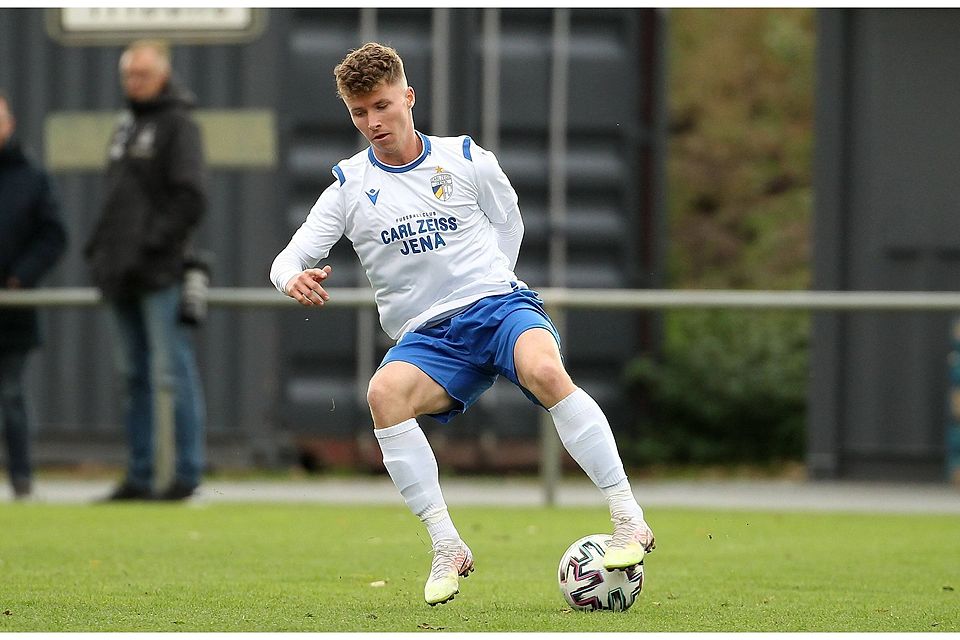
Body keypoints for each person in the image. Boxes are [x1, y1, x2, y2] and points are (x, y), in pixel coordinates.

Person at [270, 42, 655, 606]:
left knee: (544, 370)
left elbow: (510, 224)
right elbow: (287, 258)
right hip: (428, 338)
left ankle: (628, 519)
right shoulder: (349, 188)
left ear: (409, 96)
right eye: (359, 112)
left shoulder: (469, 160)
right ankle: (446, 544)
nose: (373, 122)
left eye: (382, 106)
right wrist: (290, 280)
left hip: (496, 305)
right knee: (383, 394)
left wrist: (491, 282)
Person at [84, 40, 207, 501]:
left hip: (160, 273)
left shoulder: (179, 124)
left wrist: (149, 245)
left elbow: (190, 197)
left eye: (141, 74)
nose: (133, 83)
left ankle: (186, 475)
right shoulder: (125, 126)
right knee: (133, 378)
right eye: (128, 75)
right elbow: (117, 200)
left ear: (163, 75)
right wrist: (100, 250)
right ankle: (139, 475)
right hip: (119, 273)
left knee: (171, 373)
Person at [0, 91, 68, 500]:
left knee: (10, 392)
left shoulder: (31, 177)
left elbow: (53, 235)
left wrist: (20, 278)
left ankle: (22, 479)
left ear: (10, 124)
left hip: (13, 308)